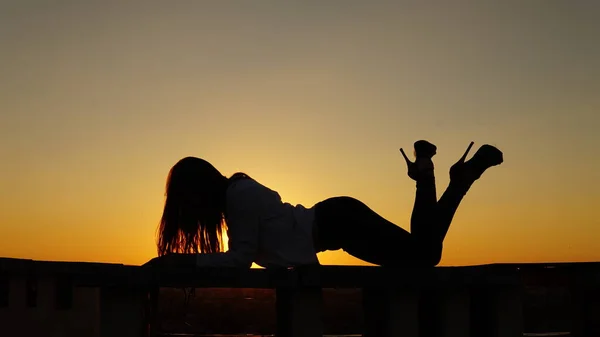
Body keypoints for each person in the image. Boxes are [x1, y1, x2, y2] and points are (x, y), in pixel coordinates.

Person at [145, 140, 503, 269]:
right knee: (423, 251)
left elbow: (240, 260)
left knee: (425, 255)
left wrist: (179, 261)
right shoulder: (236, 195)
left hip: (338, 222)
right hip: (337, 220)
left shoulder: (236, 196)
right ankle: (437, 171)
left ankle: (446, 177)